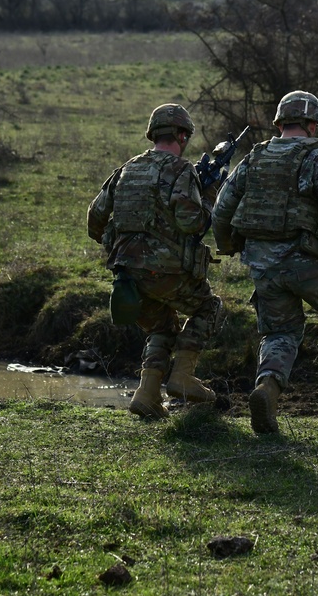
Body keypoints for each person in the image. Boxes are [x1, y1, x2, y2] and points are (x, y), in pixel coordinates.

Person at [212, 90, 318, 434]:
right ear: (313, 125)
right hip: (309, 262)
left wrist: (228, 246)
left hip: (263, 267)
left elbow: (222, 209)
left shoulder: (253, 158)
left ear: (280, 123)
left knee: (280, 331)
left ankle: (267, 389)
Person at [88, 103, 224, 419]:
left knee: (161, 326)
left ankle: (147, 394)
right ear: (182, 135)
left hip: (127, 277)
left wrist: (122, 246)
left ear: (152, 134)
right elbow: (192, 222)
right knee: (209, 308)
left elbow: (95, 219)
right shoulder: (181, 170)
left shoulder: (125, 169)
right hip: (168, 273)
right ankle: (183, 377)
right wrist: (209, 197)